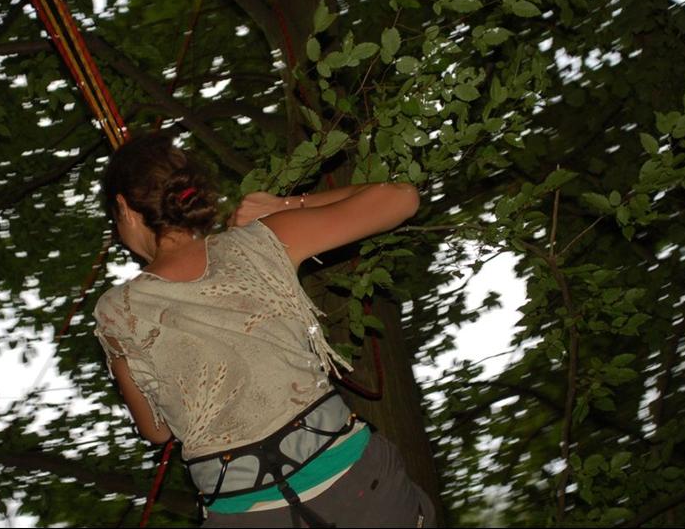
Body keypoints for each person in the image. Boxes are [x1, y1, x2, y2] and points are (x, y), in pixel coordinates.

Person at [93, 134, 436, 527]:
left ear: (125, 208)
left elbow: (156, 430)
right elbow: (402, 198)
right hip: (358, 485)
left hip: (244, 511)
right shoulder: (263, 240)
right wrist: (283, 205)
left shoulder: (117, 310)